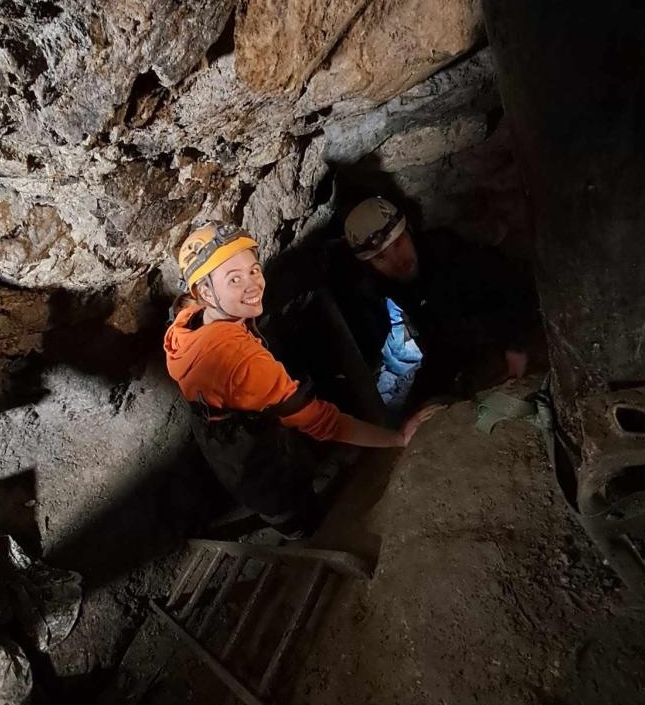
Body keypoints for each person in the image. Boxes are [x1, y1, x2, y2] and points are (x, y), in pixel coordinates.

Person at [164, 222, 436, 539]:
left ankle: (286, 518)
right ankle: (303, 531)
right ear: (206, 292)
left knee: (262, 484)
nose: (253, 285)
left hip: (214, 424)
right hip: (248, 445)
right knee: (282, 497)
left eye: (253, 270)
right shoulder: (244, 363)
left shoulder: (184, 324)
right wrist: (397, 439)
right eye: (234, 279)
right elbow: (321, 421)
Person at [334, 197, 539, 406]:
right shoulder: (383, 284)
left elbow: (516, 290)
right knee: (417, 409)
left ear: (410, 231)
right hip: (448, 345)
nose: (398, 261)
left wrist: (516, 346)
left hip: (498, 333)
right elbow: (441, 346)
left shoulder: (451, 255)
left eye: (398, 243)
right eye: (381, 258)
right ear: (370, 265)